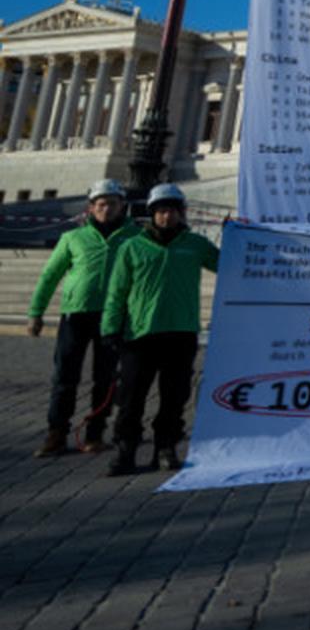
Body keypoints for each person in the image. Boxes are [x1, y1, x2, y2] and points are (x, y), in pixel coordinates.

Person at [100, 183, 220, 476]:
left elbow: (226, 264)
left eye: (172, 211)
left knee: (175, 396)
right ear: (152, 213)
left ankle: (165, 447)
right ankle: (125, 448)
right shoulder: (132, 247)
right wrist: (110, 327)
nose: (167, 217)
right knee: (131, 397)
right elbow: (117, 291)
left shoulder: (196, 244)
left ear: (181, 213)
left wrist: (242, 235)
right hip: (140, 334)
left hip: (180, 332)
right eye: (161, 211)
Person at [28, 179, 142, 457]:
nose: (106, 209)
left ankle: (95, 434)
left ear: (121, 207)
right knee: (65, 377)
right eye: (101, 204)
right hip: (75, 314)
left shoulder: (136, 237)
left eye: (112, 204)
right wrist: (36, 312)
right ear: (91, 208)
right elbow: (49, 276)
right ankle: (56, 434)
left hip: (113, 317)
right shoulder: (73, 238)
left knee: (105, 379)